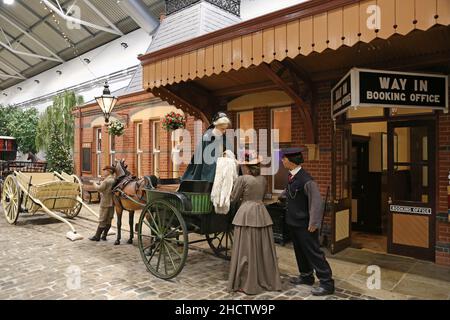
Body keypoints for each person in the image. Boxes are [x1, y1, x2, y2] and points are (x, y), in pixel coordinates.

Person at [280, 148, 335, 296]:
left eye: (283, 158)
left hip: (305, 225)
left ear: (291, 161)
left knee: (314, 253)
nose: (282, 160)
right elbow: (290, 192)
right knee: (300, 251)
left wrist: (314, 223)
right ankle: (306, 276)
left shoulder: (306, 179)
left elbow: (316, 202)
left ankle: (327, 283)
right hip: (294, 222)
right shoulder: (291, 176)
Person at [228, 151, 282, 295]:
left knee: (246, 249)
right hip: (261, 213)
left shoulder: (243, 179)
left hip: (246, 214)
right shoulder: (263, 179)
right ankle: (265, 278)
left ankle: (247, 283)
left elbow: (233, 198)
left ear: (245, 166)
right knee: (261, 249)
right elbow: (263, 196)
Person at [181, 112, 232, 183]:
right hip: (209, 174)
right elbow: (206, 161)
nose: (224, 131)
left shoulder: (223, 138)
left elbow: (228, 151)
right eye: (222, 129)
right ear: (216, 126)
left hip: (221, 172)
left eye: (225, 129)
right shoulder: (207, 138)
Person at [89, 166, 116, 241]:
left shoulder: (106, 181)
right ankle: (104, 235)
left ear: (108, 171)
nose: (104, 172)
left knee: (102, 219)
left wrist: (94, 183)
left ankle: (97, 236)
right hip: (112, 203)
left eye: (105, 171)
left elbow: (99, 189)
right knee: (109, 219)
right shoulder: (113, 179)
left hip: (105, 202)